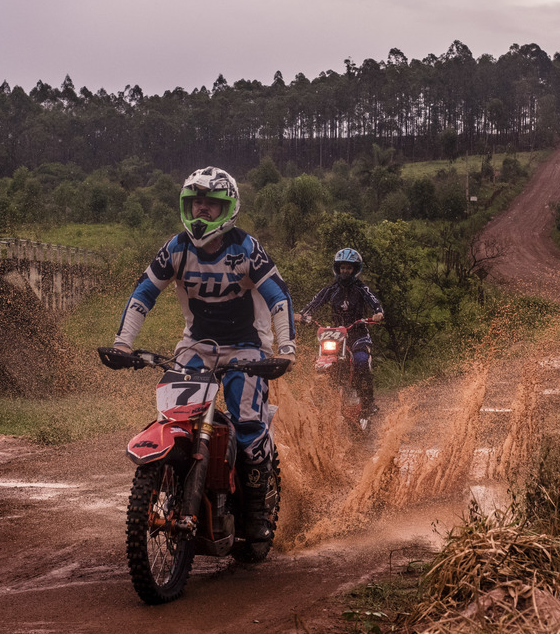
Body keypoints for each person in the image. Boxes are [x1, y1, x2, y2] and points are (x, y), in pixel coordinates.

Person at [112, 166, 295, 542]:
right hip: (196, 346)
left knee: (246, 421)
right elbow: (144, 292)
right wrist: (122, 344)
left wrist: (286, 348)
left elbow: (279, 295)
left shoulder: (246, 248)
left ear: (229, 208)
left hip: (248, 348)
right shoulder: (176, 248)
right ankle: (178, 486)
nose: (201, 211)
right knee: (177, 414)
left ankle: (257, 513)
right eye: (195, 203)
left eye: (211, 204)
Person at [294, 248, 384, 416]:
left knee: (361, 360)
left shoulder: (362, 289)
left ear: (355, 270)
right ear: (337, 268)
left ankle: (368, 402)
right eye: (342, 268)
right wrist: (302, 315)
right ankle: (320, 400)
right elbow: (315, 303)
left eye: (348, 268)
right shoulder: (331, 289)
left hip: (358, 334)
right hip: (336, 333)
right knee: (321, 360)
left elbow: (374, 303)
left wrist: (378, 313)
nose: (345, 271)